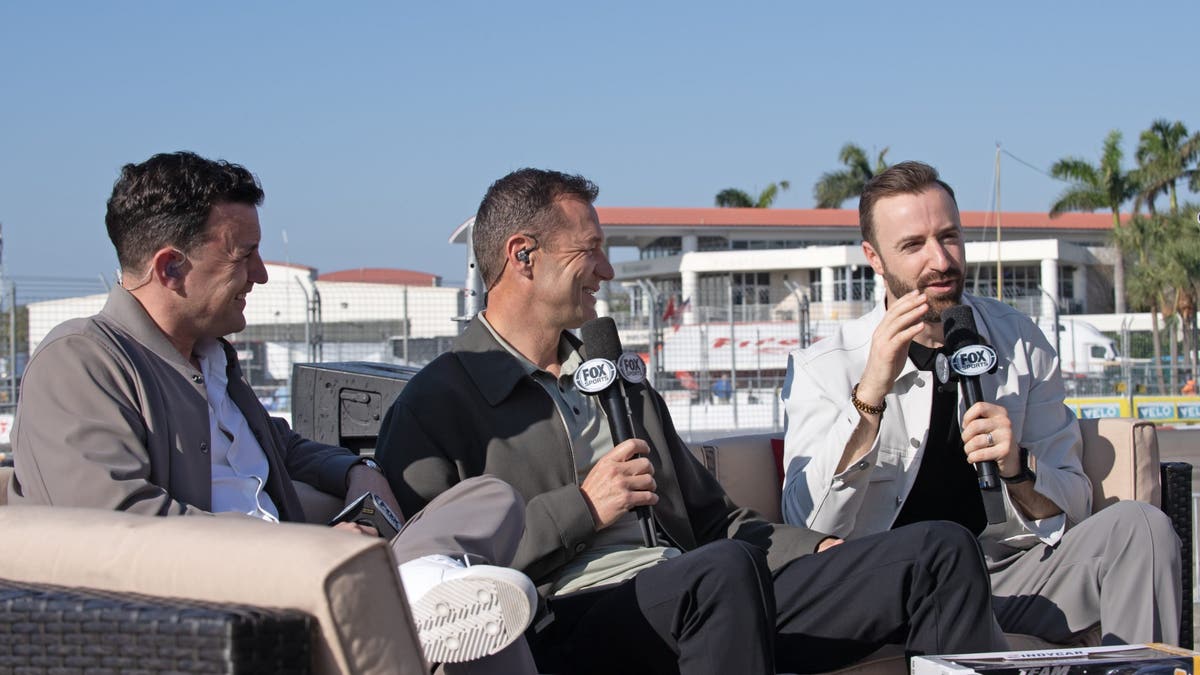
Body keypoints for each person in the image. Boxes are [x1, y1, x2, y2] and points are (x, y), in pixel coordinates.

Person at [374, 167, 1007, 675]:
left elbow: (716, 521)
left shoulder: (617, 375)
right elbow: (429, 580)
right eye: (590, 251)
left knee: (939, 549)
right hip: (567, 623)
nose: (607, 270)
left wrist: (815, 548)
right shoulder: (436, 403)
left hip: (705, 593)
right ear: (524, 257)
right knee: (721, 573)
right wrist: (582, 509)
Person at [7, 151, 538, 671]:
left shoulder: (212, 356)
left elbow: (278, 443)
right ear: (170, 267)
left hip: (309, 566)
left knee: (492, 498)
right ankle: (414, 589)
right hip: (231, 608)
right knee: (483, 617)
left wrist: (357, 471)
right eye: (245, 255)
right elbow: (117, 529)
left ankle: (412, 588)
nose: (260, 275)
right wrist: (303, 553)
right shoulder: (80, 360)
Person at [781, 161, 1182, 646]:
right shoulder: (823, 367)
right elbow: (806, 524)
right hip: (897, 589)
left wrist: (1018, 468)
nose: (941, 260)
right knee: (942, 559)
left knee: (1141, 526)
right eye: (913, 245)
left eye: (949, 236)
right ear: (875, 257)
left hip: (1009, 570)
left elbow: (1073, 507)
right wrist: (869, 397)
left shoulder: (1021, 343)